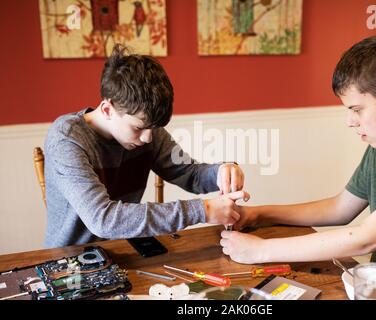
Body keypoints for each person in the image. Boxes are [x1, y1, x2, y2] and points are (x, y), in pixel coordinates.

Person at [220, 36, 376, 299]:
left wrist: (260, 251)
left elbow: (368, 237)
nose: (350, 121)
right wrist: (258, 214)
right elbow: (340, 208)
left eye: (356, 109)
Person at [44, 44, 249, 249]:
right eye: (138, 128)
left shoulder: (148, 130)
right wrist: (202, 210)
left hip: (124, 249)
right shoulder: (66, 139)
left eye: (153, 128)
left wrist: (222, 171)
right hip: (68, 260)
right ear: (107, 109)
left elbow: (190, 173)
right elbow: (103, 219)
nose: (148, 139)